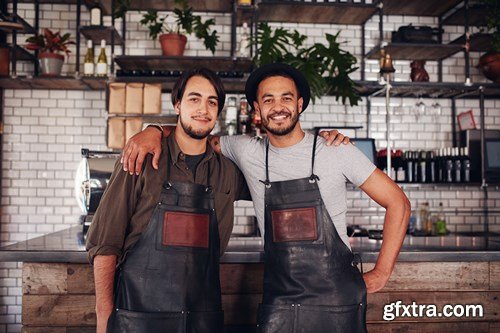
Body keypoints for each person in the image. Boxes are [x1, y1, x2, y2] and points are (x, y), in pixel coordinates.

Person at [122, 63, 410, 333]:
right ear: (257, 109)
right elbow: (196, 134)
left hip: (337, 301)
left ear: (299, 105)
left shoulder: (335, 150)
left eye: (286, 98)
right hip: (279, 302)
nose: (278, 107)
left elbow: (398, 202)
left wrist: (382, 272)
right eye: (268, 100)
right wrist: (155, 131)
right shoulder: (245, 150)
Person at [86, 68, 253, 333]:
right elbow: (105, 242)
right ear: (177, 105)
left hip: (202, 317)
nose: (203, 109)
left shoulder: (228, 172)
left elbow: (276, 168)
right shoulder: (139, 159)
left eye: (212, 102)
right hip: (139, 316)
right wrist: (104, 317)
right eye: (194, 99)